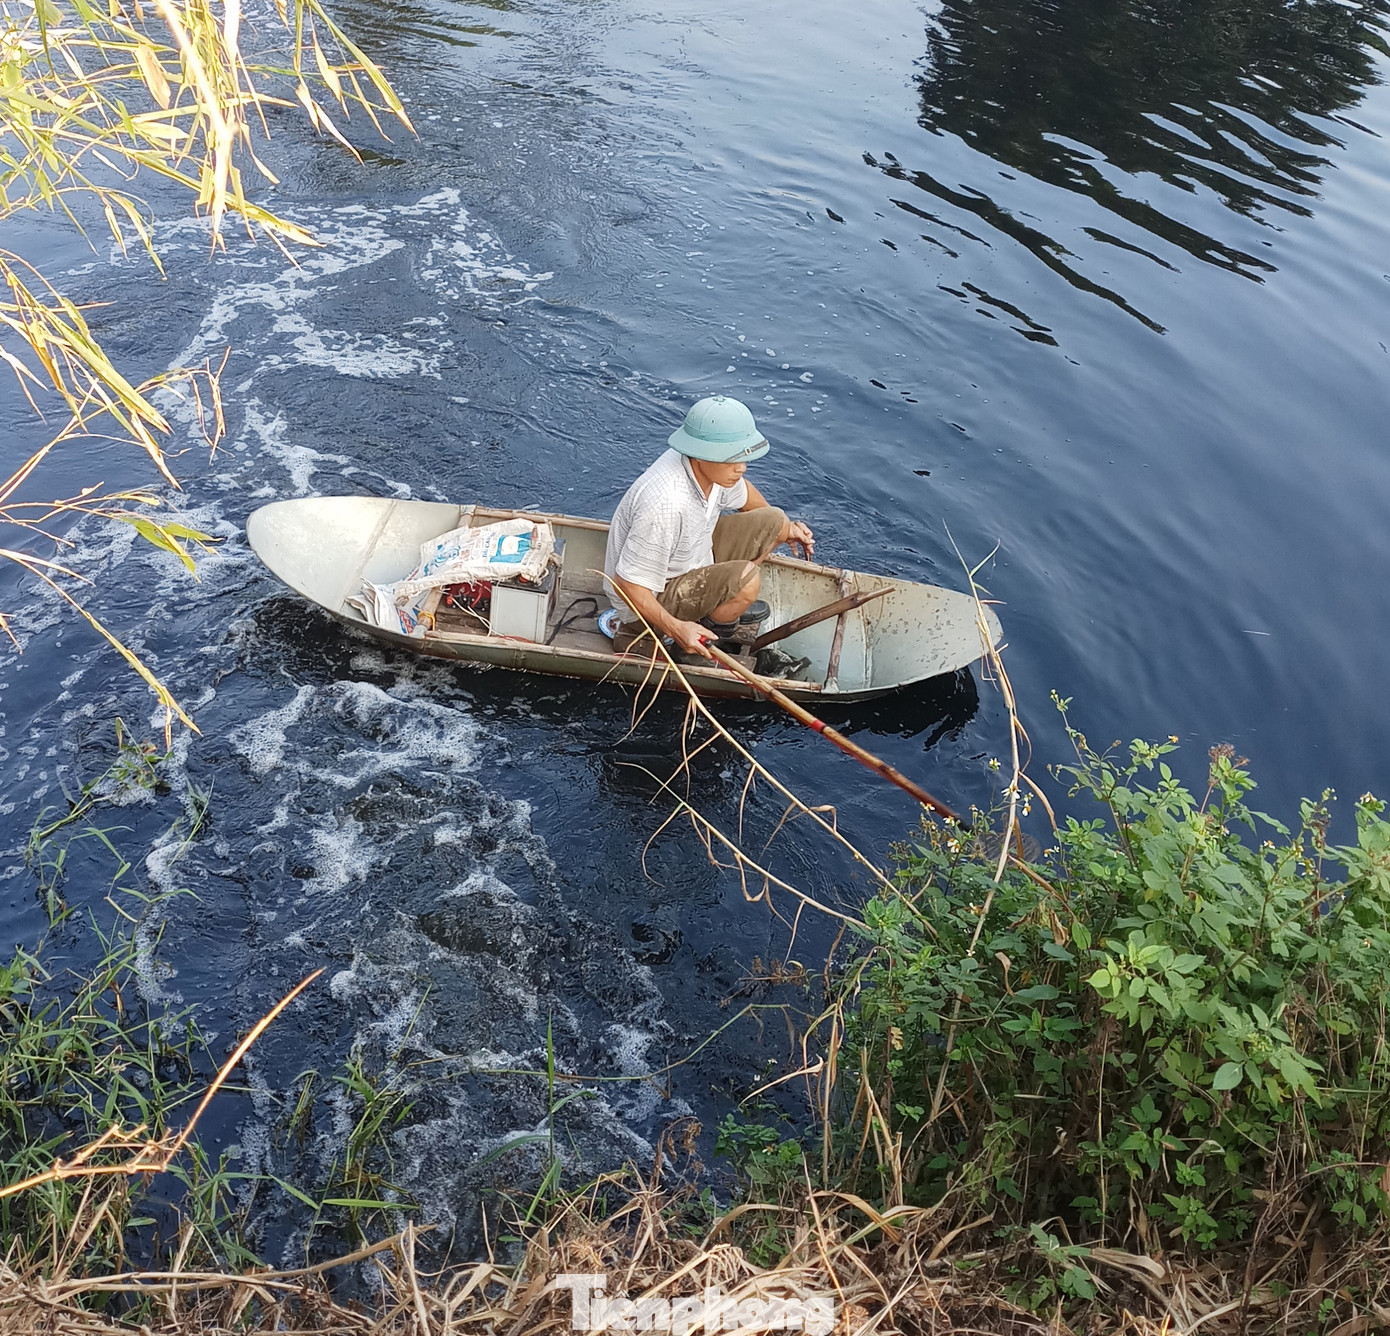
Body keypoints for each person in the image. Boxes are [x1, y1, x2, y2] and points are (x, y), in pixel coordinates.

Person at [604, 395, 815, 662]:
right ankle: (689, 639)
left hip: (691, 557)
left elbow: (746, 495)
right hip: (648, 597)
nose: (741, 468)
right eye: (731, 460)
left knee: (776, 521)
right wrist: (677, 628)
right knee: (748, 581)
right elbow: (627, 585)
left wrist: (787, 529)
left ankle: (717, 610)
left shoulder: (710, 470)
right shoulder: (664, 504)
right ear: (701, 455)